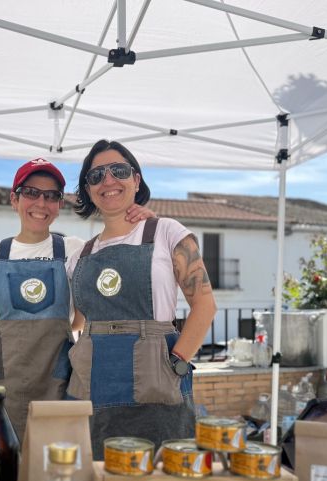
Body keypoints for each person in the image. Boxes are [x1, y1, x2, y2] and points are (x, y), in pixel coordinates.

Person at [0, 157, 153, 441]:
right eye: (31, 193)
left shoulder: (74, 250)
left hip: (56, 381)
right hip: (0, 385)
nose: (41, 203)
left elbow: (116, 250)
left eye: (51, 196)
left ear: (59, 205)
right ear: (14, 200)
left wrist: (140, 219)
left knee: (51, 464)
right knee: (2, 466)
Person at [66, 140, 218, 459]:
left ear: (136, 180)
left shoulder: (166, 232)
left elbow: (205, 305)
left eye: (118, 171)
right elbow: (78, 321)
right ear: (88, 190)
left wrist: (175, 364)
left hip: (158, 384)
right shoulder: (81, 254)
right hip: (91, 388)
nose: (107, 180)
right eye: (95, 176)